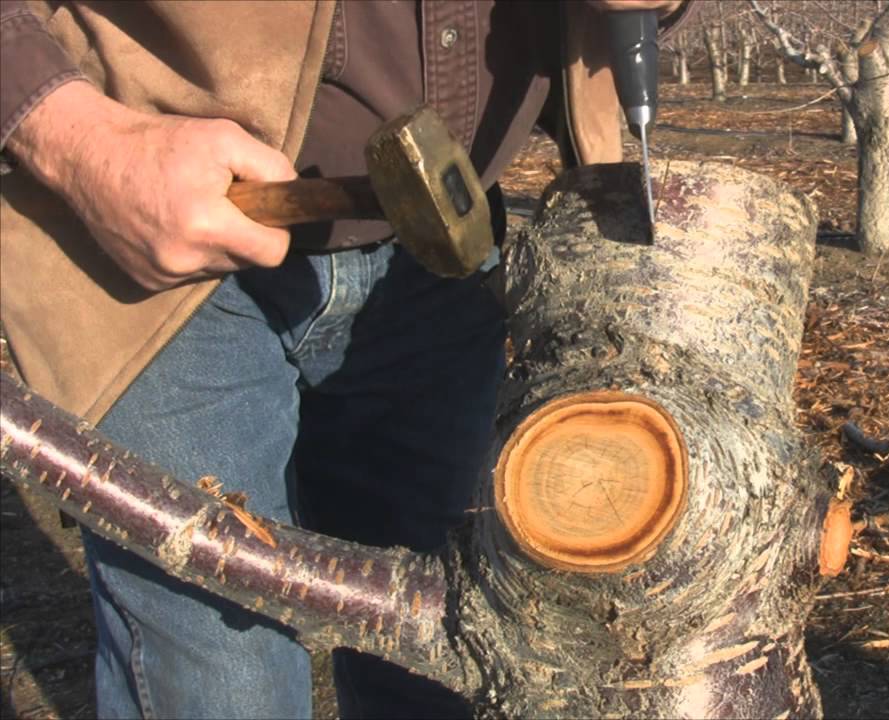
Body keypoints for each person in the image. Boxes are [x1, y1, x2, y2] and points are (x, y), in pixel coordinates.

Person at [0, 1, 685, 717]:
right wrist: (74, 137)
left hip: (443, 264)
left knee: (440, 661)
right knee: (227, 683)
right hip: (162, 242)